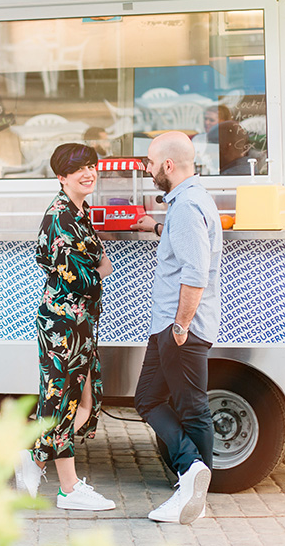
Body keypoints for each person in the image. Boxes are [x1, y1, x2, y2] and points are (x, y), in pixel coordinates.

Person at [15, 143, 115, 511]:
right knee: (65, 405)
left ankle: (34, 459)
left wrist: (97, 266)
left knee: (84, 402)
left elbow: (98, 265)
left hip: (79, 322)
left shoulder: (79, 210)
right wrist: (97, 267)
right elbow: (90, 276)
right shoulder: (61, 217)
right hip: (64, 326)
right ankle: (68, 490)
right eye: (79, 170)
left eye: (91, 166)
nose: (89, 173)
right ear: (61, 177)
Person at [130, 131, 223, 524]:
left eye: (151, 164)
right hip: (171, 324)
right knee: (148, 399)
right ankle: (192, 476)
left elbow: (196, 271)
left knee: (192, 409)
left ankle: (192, 490)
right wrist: (155, 228)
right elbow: (183, 247)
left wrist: (181, 325)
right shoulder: (190, 200)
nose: (149, 171)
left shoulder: (186, 206)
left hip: (179, 325)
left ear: (168, 165)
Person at [192, 105, 231, 175]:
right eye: (205, 119)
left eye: (211, 120)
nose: (207, 122)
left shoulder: (231, 141)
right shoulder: (197, 139)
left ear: (223, 122)